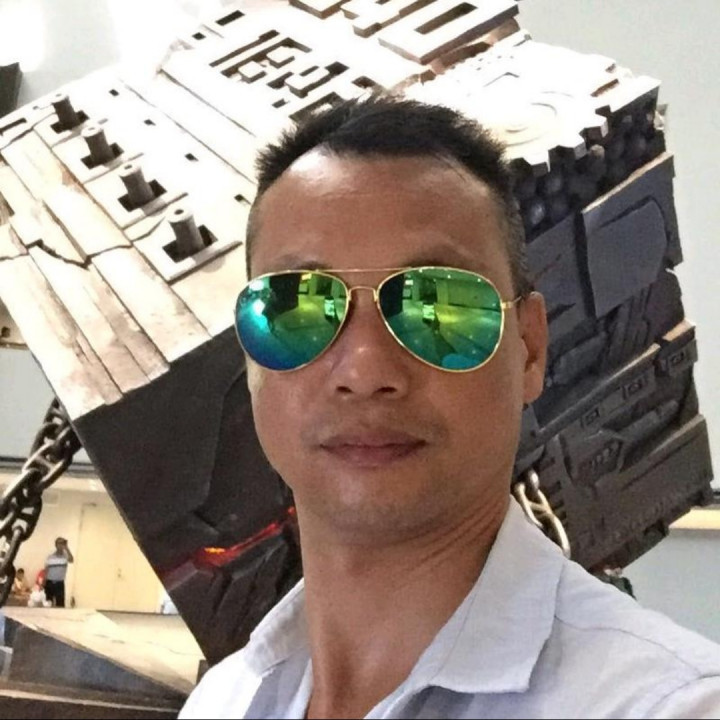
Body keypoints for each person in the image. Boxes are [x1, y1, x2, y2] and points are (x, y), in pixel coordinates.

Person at [180, 96, 720, 719]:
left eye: (439, 306)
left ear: (529, 350)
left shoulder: (666, 705)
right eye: (298, 308)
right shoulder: (224, 701)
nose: (365, 372)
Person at [43, 537, 74, 608]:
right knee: (48, 603)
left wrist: (67, 548)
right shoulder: (50, 556)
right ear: (56, 545)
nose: (60, 545)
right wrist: (43, 582)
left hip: (59, 584)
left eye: (62, 543)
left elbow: (71, 560)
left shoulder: (66, 556)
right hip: (49, 582)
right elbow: (46, 569)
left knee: (60, 604)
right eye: (59, 543)